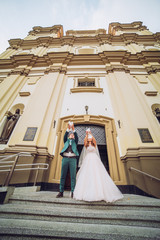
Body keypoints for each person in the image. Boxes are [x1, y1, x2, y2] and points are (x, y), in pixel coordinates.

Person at [73, 128, 123, 203]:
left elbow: (93, 139)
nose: (89, 140)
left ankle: (101, 192)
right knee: (87, 174)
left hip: (94, 158)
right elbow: (85, 140)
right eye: (89, 139)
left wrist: (90, 133)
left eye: (90, 139)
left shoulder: (94, 143)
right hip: (88, 159)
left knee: (97, 174)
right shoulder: (86, 145)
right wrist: (86, 134)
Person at [56, 121, 79, 198]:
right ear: (69, 136)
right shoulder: (66, 141)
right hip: (65, 158)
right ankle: (61, 191)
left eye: (72, 135)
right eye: (70, 134)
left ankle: (73, 191)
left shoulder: (75, 142)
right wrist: (68, 129)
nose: (72, 135)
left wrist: (73, 129)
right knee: (63, 175)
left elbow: (76, 136)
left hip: (73, 159)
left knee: (73, 176)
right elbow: (65, 135)